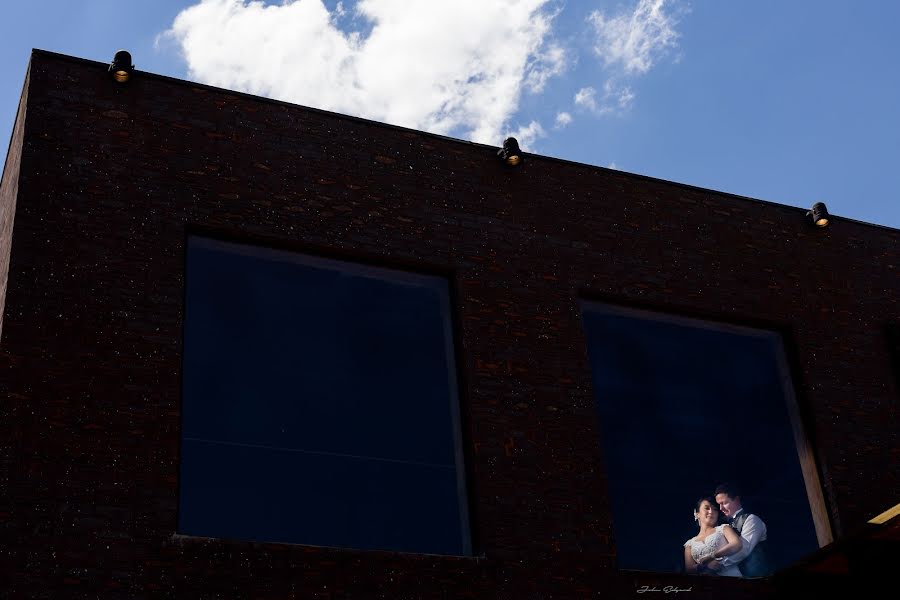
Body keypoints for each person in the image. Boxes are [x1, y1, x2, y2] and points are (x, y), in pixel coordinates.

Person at [708, 483, 771, 578]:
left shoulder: (752, 519)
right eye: (719, 505)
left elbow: (744, 549)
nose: (721, 508)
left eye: (724, 503)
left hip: (758, 577)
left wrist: (719, 564)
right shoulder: (725, 526)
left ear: (736, 500)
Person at [683, 497, 743, 577]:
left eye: (715, 509)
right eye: (707, 508)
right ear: (697, 514)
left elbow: (737, 544)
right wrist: (705, 567)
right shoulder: (689, 544)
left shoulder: (723, 528)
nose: (711, 512)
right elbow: (689, 569)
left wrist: (712, 556)